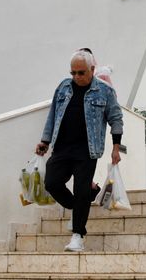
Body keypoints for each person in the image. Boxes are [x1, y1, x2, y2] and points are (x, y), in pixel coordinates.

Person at [35, 50, 123, 252]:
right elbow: (52, 115)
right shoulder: (64, 87)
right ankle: (80, 206)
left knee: (81, 189)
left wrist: (116, 148)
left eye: (81, 73)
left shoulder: (105, 91)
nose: (76, 77)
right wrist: (45, 141)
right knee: (52, 183)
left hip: (87, 150)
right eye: (73, 72)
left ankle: (77, 235)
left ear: (92, 69)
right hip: (62, 148)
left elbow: (116, 119)